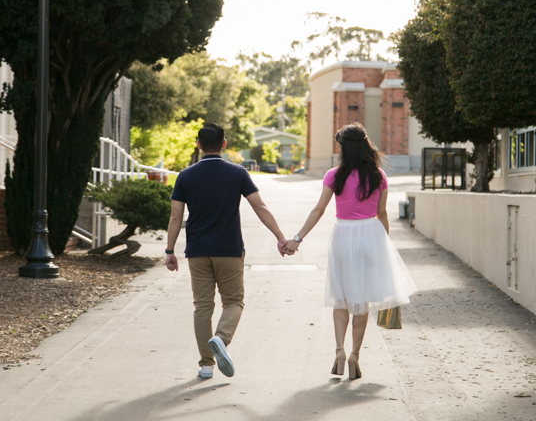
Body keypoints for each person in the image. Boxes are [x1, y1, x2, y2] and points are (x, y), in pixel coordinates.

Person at [283, 122, 416, 380]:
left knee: (341, 297)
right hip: (371, 235)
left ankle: (339, 351)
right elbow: (382, 214)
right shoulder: (378, 175)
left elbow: (319, 209)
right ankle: (356, 355)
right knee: (362, 300)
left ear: (344, 148)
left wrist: (298, 238)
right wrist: (384, 246)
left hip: (343, 235)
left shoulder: (335, 175)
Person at [165, 123, 289, 379]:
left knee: (202, 307)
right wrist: (280, 237)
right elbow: (260, 207)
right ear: (224, 143)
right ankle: (221, 338)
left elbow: (176, 217)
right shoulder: (238, 173)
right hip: (229, 250)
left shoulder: (185, 176)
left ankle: (206, 365)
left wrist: (169, 250)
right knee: (233, 302)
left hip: (197, 250)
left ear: (198, 144)